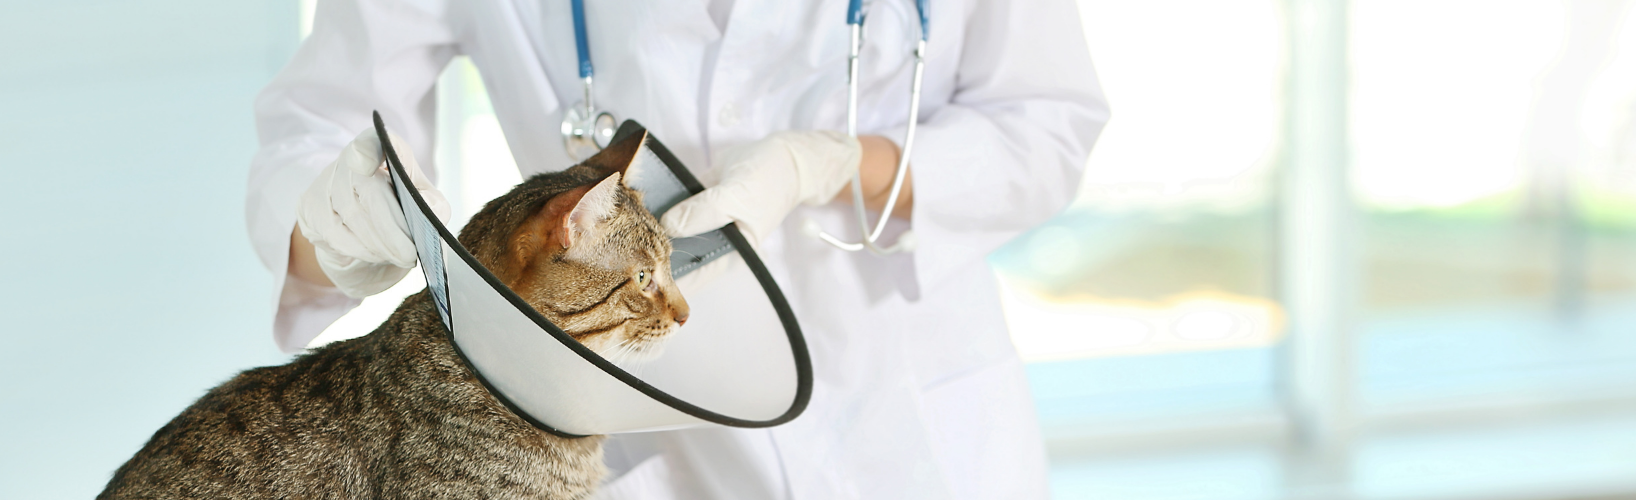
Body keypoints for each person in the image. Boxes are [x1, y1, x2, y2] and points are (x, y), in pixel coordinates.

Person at [244, 0, 1106, 498]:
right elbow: (322, 119)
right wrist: (337, 217)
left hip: (919, 430)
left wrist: (835, 164)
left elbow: (1045, 125)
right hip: (646, 445)